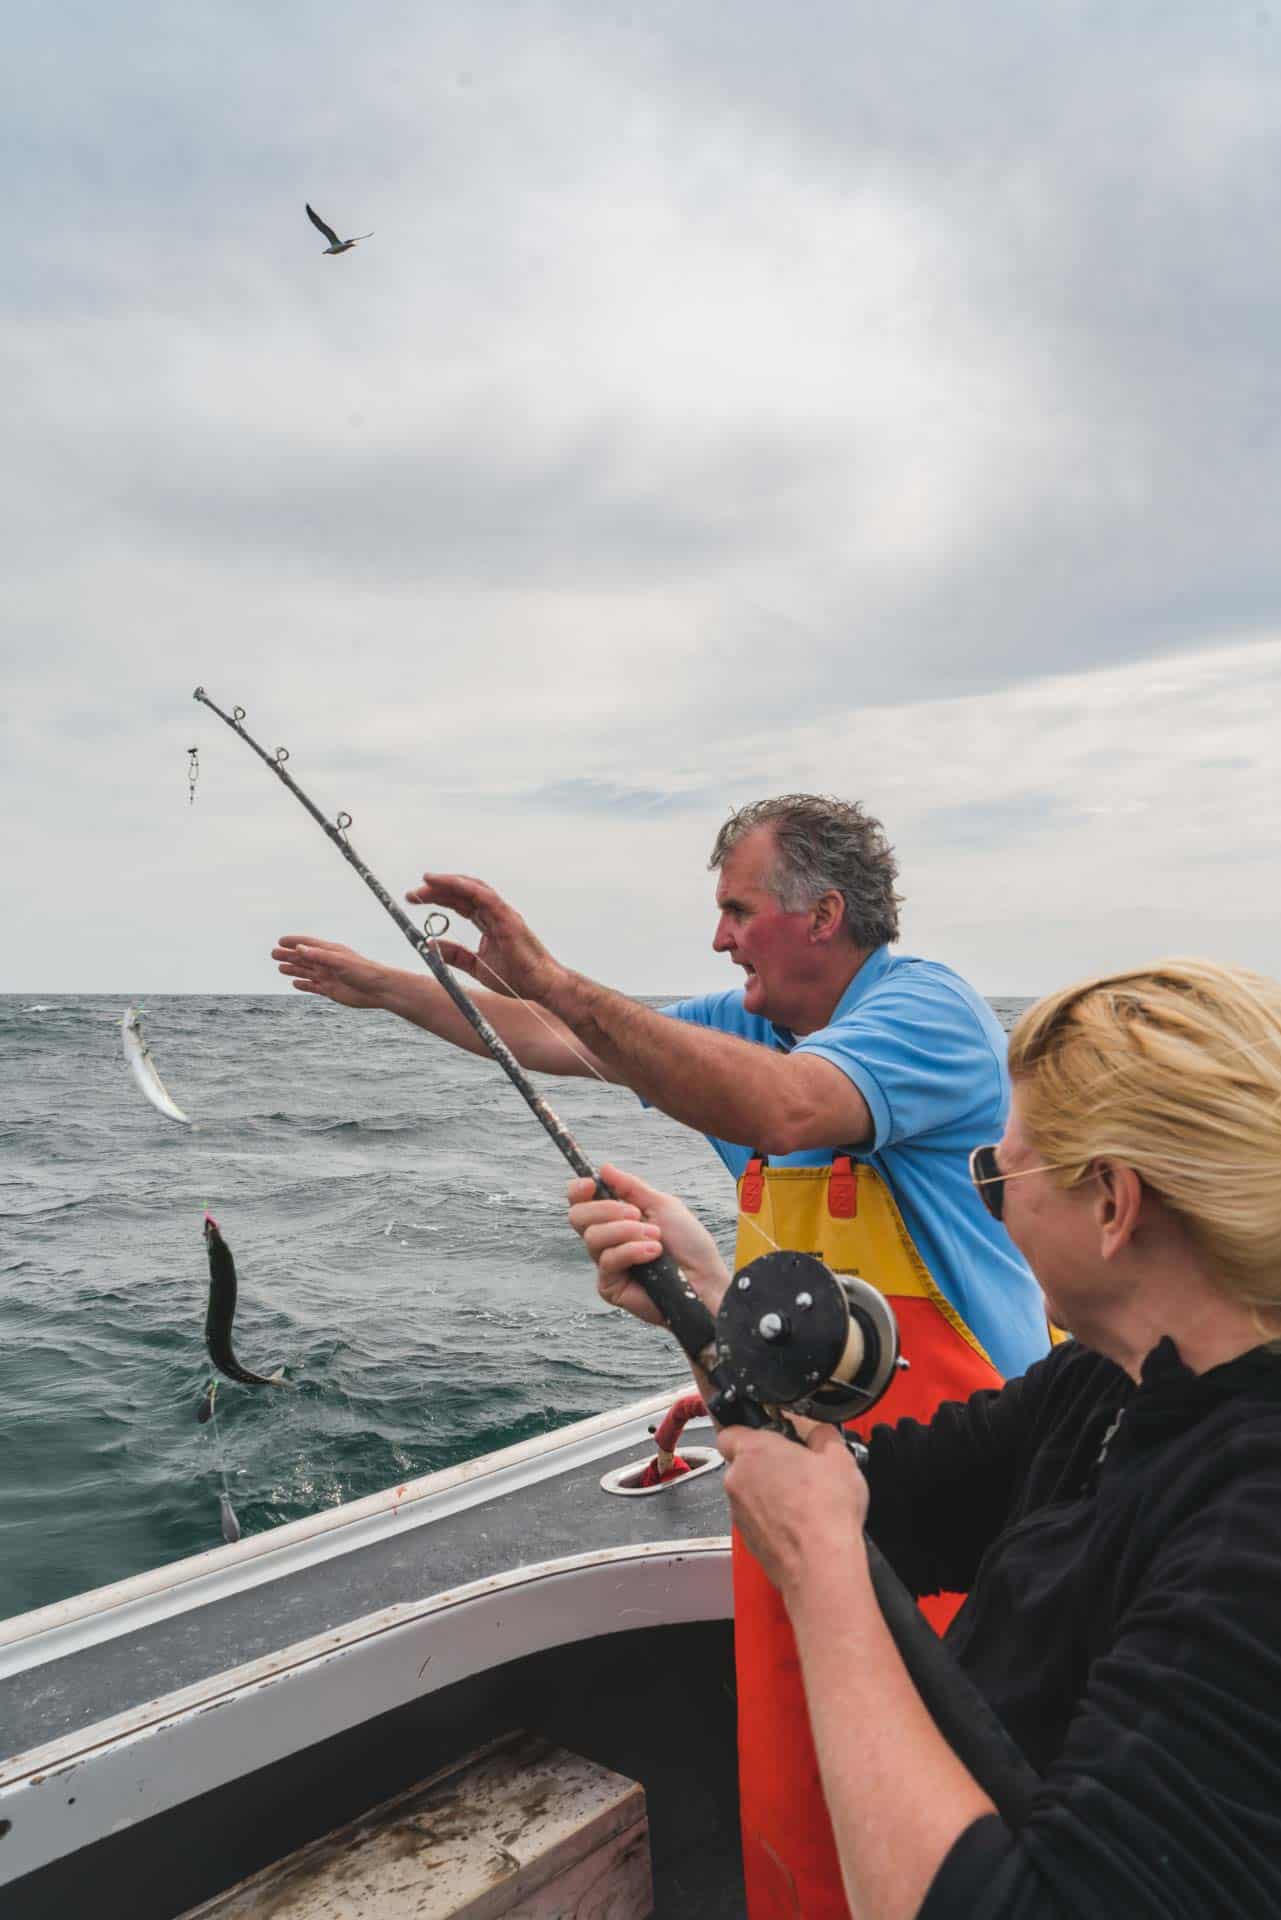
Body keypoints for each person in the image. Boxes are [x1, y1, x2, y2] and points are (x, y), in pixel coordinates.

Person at [273, 793, 1050, 1918]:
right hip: (790, 1466)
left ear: (823, 914)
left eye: (737, 909)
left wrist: (544, 969)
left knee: (938, 1798)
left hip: (952, 1478)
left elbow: (787, 1110)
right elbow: (563, 1040)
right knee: (794, 1787)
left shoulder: (922, 1009)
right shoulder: (752, 1024)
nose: (720, 938)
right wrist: (386, 986)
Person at [568, 957, 1281, 1919]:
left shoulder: (1251, 1526)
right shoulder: (1108, 1382)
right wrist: (707, 1308)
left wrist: (819, 1571)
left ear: (1113, 1203)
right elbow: (891, 1499)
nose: (989, 1196)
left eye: (995, 1173)